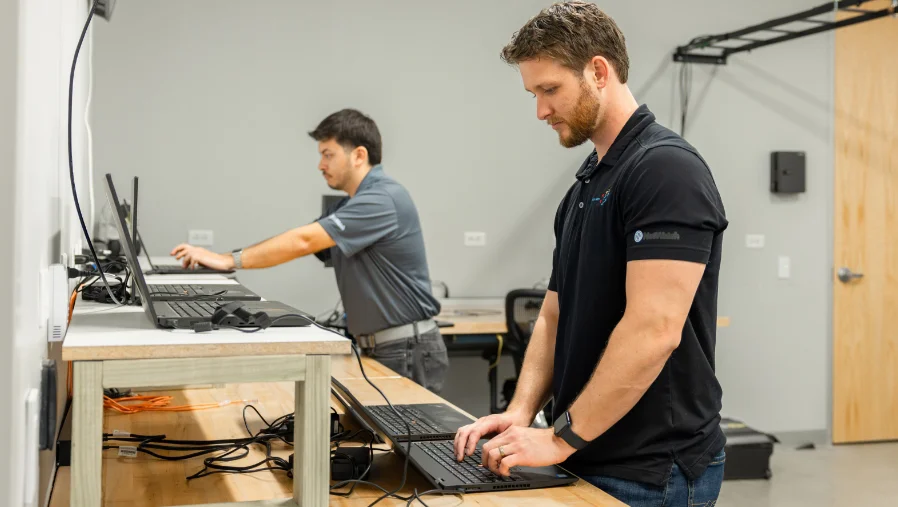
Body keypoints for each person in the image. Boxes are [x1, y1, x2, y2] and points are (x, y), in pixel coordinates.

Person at [453, 3, 728, 505]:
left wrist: (560, 438)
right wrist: (521, 412)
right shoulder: (587, 183)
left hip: (651, 469)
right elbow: (556, 314)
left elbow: (654, 330)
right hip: (588, 451)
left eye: (550, 90)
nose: (540, 110)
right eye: (533, 93)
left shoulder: (665, 170)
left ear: (598, 72)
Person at [171, 109, 450, 393]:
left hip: (405, 348)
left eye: (328, 154)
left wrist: (227, 259)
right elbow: (303, 242)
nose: (320, 164)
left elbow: (304, 241)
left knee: (406, 437)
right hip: (382, 347)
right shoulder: (350, 205)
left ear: (358, 156)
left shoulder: (382, 199)